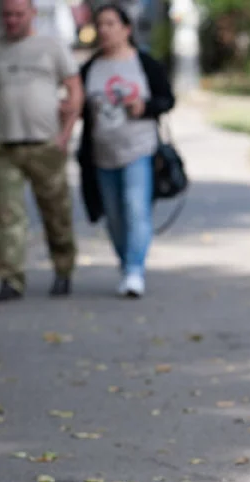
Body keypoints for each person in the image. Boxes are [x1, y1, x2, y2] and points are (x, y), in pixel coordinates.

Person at [0, 0, 83, 302]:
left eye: (18, 14)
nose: (12, 20)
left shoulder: (51, 47)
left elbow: (75, 90)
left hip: (46, 145)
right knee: (7, 216)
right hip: (5, 145)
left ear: (32, 14)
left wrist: (66, 133)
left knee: (56, 213)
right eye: (7, 14)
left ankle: (63, 268)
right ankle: (10, 278)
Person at [76, 3, 174, 298]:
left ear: (126, 29)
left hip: (139, 150)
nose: (104, 30)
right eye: (100, 24)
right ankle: (126, 262)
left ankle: (134, 270)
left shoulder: (144, 64)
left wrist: (144, 107)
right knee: (114, 215)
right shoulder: (90, 68)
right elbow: (77, 108)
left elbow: (167, 99)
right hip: (102, 155)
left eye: (110, 24)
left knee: (135, 209)